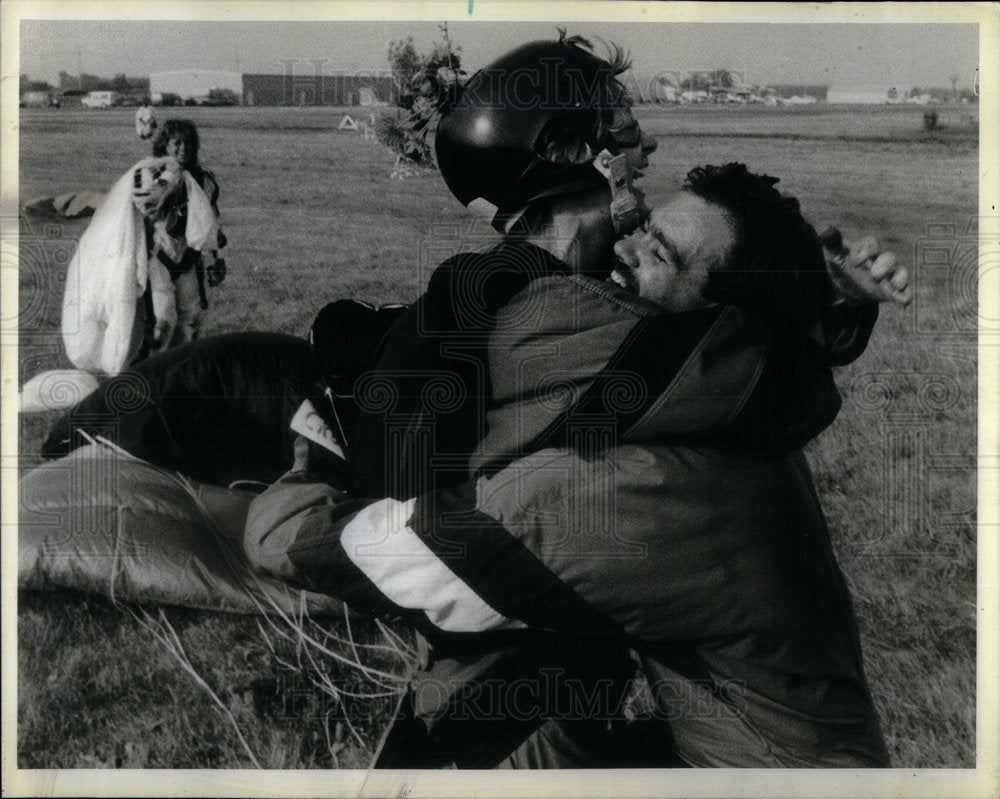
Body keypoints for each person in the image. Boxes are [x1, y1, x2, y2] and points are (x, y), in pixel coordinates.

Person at [245, 34, 906, 768]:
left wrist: (305, 471)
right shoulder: (657, 386)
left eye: (658, 253)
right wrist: (821, 312)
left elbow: (357, 551)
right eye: (622, 126)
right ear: (564, 151)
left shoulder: (645, 464)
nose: (628, 240)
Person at [144, 119, 228, 348]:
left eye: (188, 143)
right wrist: (170, 178)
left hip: (189, 258)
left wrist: (218, 258)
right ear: (164, 145)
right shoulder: (150, 173)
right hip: (159, 255)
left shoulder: (203, 180)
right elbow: (146, 206)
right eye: (177, 143)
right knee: (164, 319)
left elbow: (213, 221)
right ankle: (156, 371)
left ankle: (179, 372)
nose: (184, 148)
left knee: (188, 321)